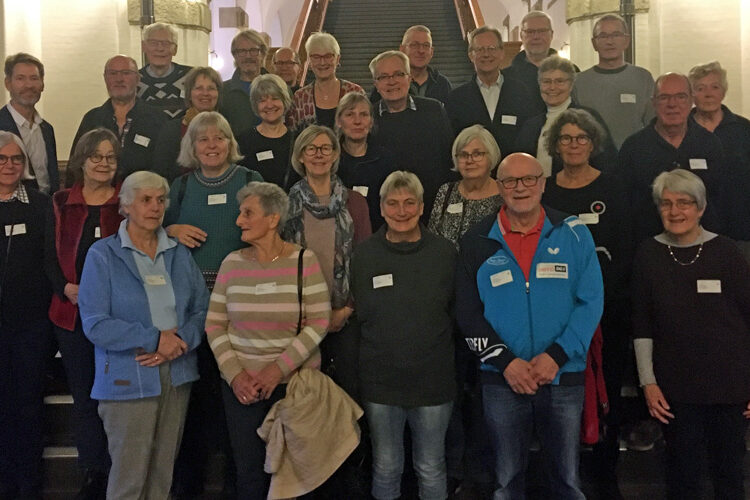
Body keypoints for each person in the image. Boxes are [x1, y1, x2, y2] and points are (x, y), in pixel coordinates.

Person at [456, 152, 603, 499]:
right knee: (506, 481)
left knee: (567, 480)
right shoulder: (477, 240)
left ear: (543, 184)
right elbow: (467, 313)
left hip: (563, 374)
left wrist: (557, 355)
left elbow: (591, 302)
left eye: (528, 179)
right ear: (499, 187)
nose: (519, 188)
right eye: (510, 181)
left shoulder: (574, 233)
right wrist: (506, 363)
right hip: (501, 378)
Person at [77, 171, 209, 500]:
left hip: (177, 373)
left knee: (162, 477)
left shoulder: (178, 253)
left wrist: (179, 342)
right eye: (146, 200)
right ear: (125, 206)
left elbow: (203, 310)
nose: (155, 207)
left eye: (161, 200)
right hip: (127, 375)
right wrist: (155, 339)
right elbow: (95, 323)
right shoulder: (103, 255)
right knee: (129, 481)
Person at [205, 181, 331, 500]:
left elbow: (319, 322)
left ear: (273, 219)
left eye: (248, 213)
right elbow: (215, 325)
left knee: (295, 477)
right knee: (250, 475)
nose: (239, 221)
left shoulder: (304, 261)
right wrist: (236, 376)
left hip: (293, 389)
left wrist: (277, 370)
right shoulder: (231, 263)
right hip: (242, 392)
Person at [632, 169, 750, 500]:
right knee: (682, 479)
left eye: (684, 202)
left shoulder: (726, 252)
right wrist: (648, 382)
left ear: (700, 208)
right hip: (675, 389)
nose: (675, 211)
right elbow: (642, 324)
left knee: (729, 478)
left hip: (730, 387)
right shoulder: (648, 254)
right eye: (666, 203)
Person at [162, 110, 261, 499]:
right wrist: (171, 229)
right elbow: (152, 233)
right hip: (191, 310)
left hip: (240, 309)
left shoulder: (250, 181)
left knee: (238, 400)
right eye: (202, 139)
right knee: (194, 401)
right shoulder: (180, 187)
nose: (212, 145)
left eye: (219, 137)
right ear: (191, 146)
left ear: (230, 142)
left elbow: (269, 229)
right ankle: (191, 484)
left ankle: (238, 483)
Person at [541, 108, 632, 499]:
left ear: (593, 143)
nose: (574, 144)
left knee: (606, 388)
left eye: (581, 138)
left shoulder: (613, 187)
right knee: (562, 394)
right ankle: (564, 473)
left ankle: (605, 471)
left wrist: (597, 296)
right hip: (556, 312)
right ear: (555, 145)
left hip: (607, 310)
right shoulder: (546, 190)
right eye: (566, 138)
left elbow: (626, 246)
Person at [350, 171, 457, 500]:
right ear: (381, 208)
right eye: (393, 203)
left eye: (409, 203)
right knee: (386, 466)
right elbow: (360, 315)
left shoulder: (444, 253)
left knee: (431, 466)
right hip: (381, 382)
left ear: (422, 207)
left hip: (433, 382)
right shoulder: (364, 256)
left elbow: (455, 313)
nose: (401, 211)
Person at [48, 128, 123, 499]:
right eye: (96, 156)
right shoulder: (61, 202)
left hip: (118, 320)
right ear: (81, 160)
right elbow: (47, 255)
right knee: (85, 397)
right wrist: (65, 286)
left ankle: (120, 471)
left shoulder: (127, 202)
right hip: (72, 317)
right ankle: (93, 472)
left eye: (110, 157)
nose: (103, 163)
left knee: (116, 397)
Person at [283, 124, 371, 397]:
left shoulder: (355, 202)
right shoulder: (285, 205)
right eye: (311, 149)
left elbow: (364, 260)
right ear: (300, 156)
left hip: (344, 315)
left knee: (348, 392)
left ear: (335, 155)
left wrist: (346, 309)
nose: (318, 154)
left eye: (325, 148)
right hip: (299, 318)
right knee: (305, 396)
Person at [0, 131, 54, 500]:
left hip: (31, 325)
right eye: (2, 159)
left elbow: (50, 262)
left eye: (16, 159)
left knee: (28, 404)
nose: (9, 165)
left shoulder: (40, 205)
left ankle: (30, 483)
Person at [618, 72, 726, 244]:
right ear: (653, 102)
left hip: (702, 245)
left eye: (680, 97)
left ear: (691, 100)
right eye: (664, 97)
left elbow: (721, 198)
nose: (672, 104)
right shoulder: (633, 147)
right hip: (648, 245)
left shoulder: (709, 144)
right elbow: (623, 205)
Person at [370, 50, 454, 221]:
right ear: (376, 84)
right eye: (384, 77)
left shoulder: (434, 110)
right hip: (384, 211)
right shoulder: (368, 117)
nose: (392, 81)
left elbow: (449, 157)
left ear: (410, 78)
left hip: (431, 207)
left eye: (398, 74)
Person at [446, 26, 543, 157]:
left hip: (513, 167)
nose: (486, 54)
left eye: (491, 48)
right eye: (480, 49)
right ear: (471, 55)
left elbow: (530, 135)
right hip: (473, 167)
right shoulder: (456, 98)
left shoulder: (521, 92)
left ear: (502, 53)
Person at [516, 55, 616, 177]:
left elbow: (607, 162)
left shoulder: (588, 118)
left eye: (560, 81)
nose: (552, 87)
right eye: (546, 81)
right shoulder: (530, 125)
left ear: (571, 85)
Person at [71, 55, 166, 183]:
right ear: (105, 78)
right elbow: (75, 166)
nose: (119, 79)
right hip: (98, 193)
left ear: (138, 79)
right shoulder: (92, 119)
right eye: (113, 73)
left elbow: (164, 167)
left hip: (142, 193)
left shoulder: (157, 119)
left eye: (126, 73)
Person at [688, 61, 750, 255]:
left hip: (741, 231)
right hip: (693, 230)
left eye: (714, 87)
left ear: (723, 92)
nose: (708, 94)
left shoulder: (744, 130)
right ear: (691, 94)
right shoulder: (681, 131)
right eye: (700, 88)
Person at [572, 14, 655, 149]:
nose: (609, 41)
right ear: (594, 43)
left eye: (616, 35)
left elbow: (653, 125)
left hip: (634, 156)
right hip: (591, 158)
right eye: (603, 36)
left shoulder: (643, 78)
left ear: (626, 40)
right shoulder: (579, 82)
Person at [428, 124, 503, 248]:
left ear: (491, 156)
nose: (469, 160)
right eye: (463, 155)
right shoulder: (446, 191)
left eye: (477, 154)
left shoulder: (505, 195)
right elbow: (432, 238)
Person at [1, 52, 59, 194]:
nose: (28, 85)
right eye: (20, 78)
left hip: (47, 204)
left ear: (42, 84)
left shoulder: (46, 129)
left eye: (34, 78)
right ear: (8, 84)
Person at [335, 91, 394, 230]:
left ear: (371, 121)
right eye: (350, 115)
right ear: (338, 121)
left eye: (364, 114)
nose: (357, 121)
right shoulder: (329, 160)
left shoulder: (386, 160)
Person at [152, 66, 223, 182]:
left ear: (218, 94)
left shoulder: (227, 128)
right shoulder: (171, 130)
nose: (205, 93)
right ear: (189, 94)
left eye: (211, 88)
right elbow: (161, 172)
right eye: (199, 88)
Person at [288, 32, 364, 131]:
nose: (322, 62)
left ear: (337, 59)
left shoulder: (354, 92)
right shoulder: (300, 97)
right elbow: (293, 134)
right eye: (316, 57)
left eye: (328, 56)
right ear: (309, 61)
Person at [236, 73, 300, 191]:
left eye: (275, 98)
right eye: (262, 100)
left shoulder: (299, 140)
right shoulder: (243, 141)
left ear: (284, 101)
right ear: (255, 105)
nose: (269, 105)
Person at [504, 11, 577, 112]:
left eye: (542, 31)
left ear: (551, 34)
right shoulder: (506, 77)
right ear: (521, 35)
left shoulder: (571, 71)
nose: (536, 37)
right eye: (530, 32)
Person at [369, 25, 452, 104]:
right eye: (414, 45)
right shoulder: (388, 84)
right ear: (402, 49)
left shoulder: (442, 84)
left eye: (426, 45)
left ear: (431, 52)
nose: (421, 50)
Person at [219, 29, 268, 138]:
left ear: (263, 54)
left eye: (253, 50)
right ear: (235, 56)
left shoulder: (277, 88)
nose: (248, 56)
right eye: (242, 51)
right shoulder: (222, 91)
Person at [138, 22, 192, 119]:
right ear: (143, 47)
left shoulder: (191, 76)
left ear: (175, 49)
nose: (160, 48)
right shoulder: (134, 80)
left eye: (166, 43)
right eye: (153, 43)